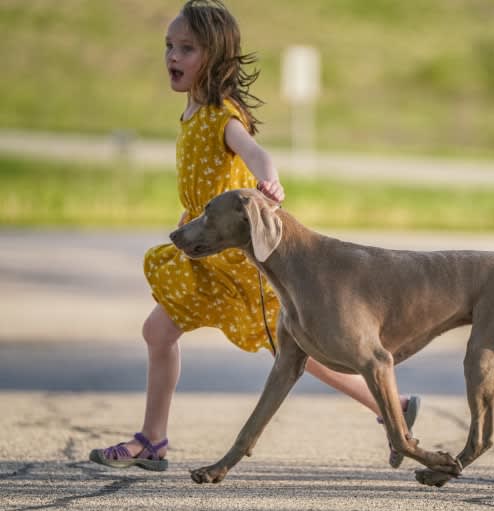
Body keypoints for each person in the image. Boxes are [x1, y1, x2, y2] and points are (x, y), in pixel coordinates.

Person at [89, 0, 418, 472]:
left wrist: (270, 182)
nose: (173, 57)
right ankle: (152, 440)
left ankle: (393, 406)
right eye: (169, 47)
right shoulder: (194, 110)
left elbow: (257, 153)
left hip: (238, 260)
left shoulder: (222, 115)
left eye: (186, 48)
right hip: (202, 253)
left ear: (216, 57)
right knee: (158, 332)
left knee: (301, 347)